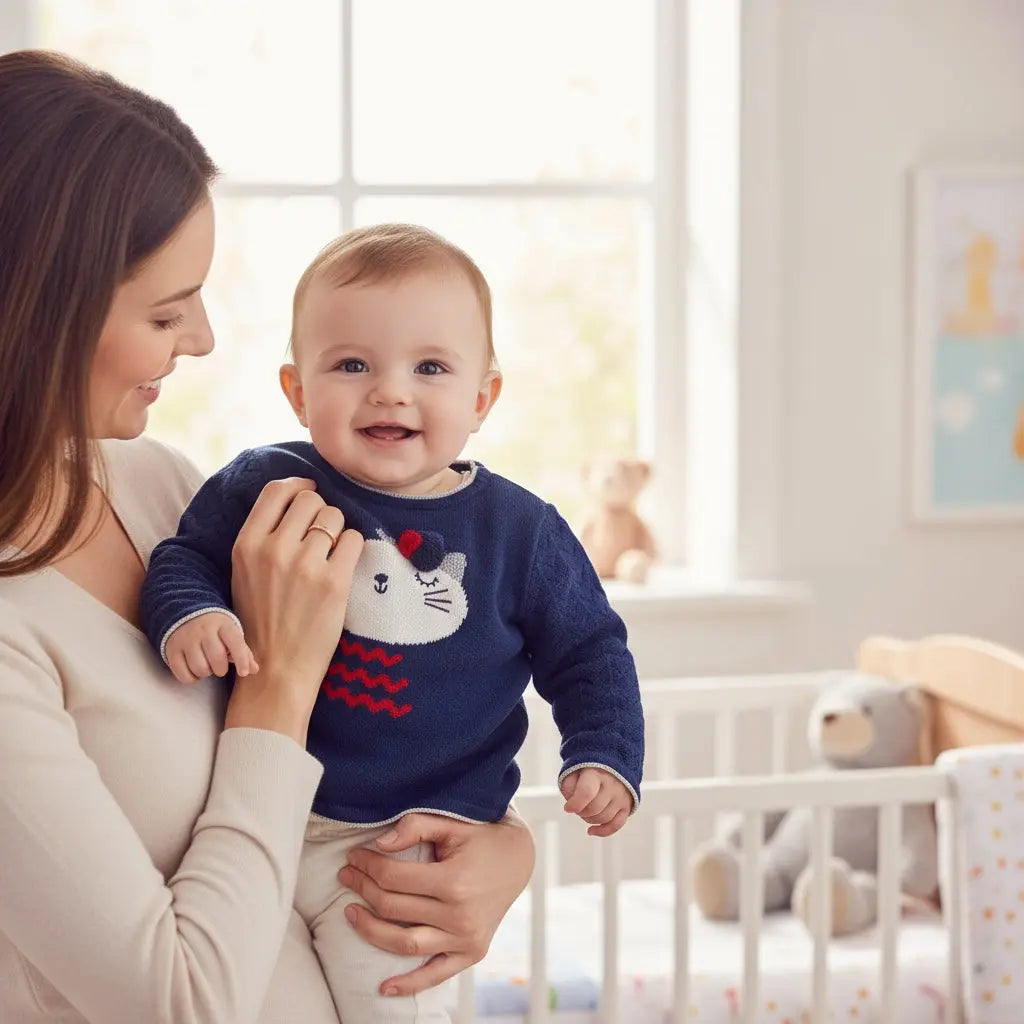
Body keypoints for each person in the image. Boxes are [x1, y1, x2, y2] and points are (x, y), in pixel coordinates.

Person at [0, 49, 535, 1024]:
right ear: (39, 314)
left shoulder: (161, 489)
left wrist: (504, 848)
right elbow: (181, 1002)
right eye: (166, 311)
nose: (201, 339)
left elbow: (375, 724)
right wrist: (278, 684)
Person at [140, 222, 646, 1022]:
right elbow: (184, 557)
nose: (391, 391)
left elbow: (591, 651)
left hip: (407, 845)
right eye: (351, 365)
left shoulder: (522, 531)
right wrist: (192, 613)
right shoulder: (263, 484)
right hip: (259, 816)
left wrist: (605, 755)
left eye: (431, 368)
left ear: (482, 398)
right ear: (297, 391)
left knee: (391, 1008)